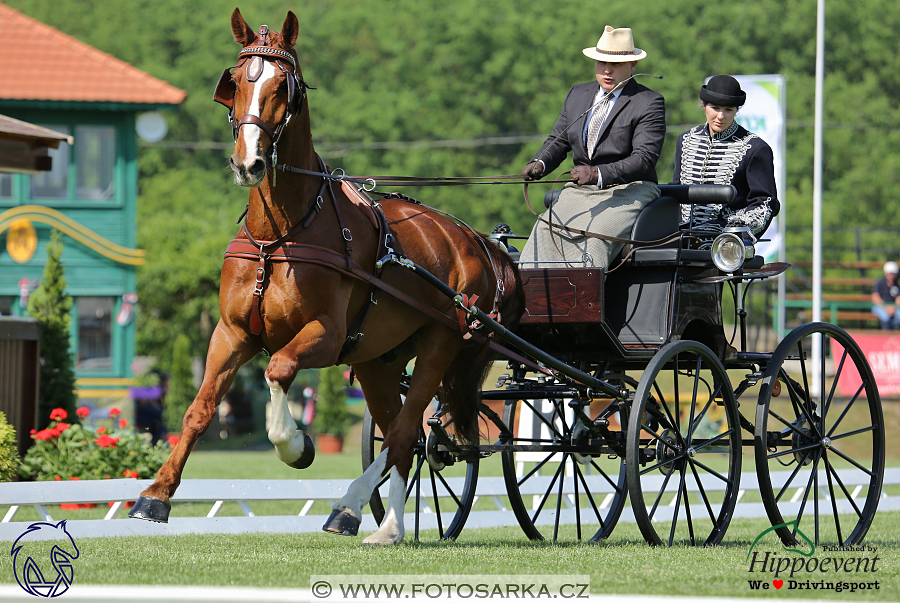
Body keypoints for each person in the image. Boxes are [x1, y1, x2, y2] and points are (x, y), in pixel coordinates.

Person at [519, 25, 666, 269]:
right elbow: (560, 139)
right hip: (579, 192)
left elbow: (644, 159)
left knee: (594, 238)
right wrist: (540, 162)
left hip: (629, 190)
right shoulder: (577, 94)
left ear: (633, 66)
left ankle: (585, 306)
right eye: (601, 62)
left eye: (616, 65)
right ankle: (535, 306)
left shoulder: (648, 102)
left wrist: (597, 173)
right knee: (543, 233)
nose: (607, 70)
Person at [671, 75, 779, 242]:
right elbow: (676, 190)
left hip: (726, 241)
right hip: (682, 238)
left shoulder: (756, 148)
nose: (721, 116)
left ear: (736, 111)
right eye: (715, 108)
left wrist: (739, 236)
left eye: (728, 109)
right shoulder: (685, 140)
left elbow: (765, 202)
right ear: (704, 106)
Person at [871, 261, 900, 330]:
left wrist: (894, 308)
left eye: (893, 273)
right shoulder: (879, 282)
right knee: (885, 317)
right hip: (880, 306)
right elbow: (875, 298)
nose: (891, 275)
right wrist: (886, 307)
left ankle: (891, 333)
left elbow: (898, 299)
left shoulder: (897, 284)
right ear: (886, 273)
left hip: (893, 307)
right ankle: (886, 333)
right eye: (890, 273)